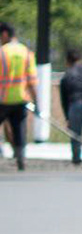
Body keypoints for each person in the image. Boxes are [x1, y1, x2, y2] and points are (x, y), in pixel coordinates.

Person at [0, 21, 32, 170]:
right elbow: (32, 80)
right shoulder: (26, 52)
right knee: (19, 129)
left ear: (5, 34)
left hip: (3, 99)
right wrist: (36, 101)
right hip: (21, 98)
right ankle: (21, 159)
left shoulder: (2, 52)